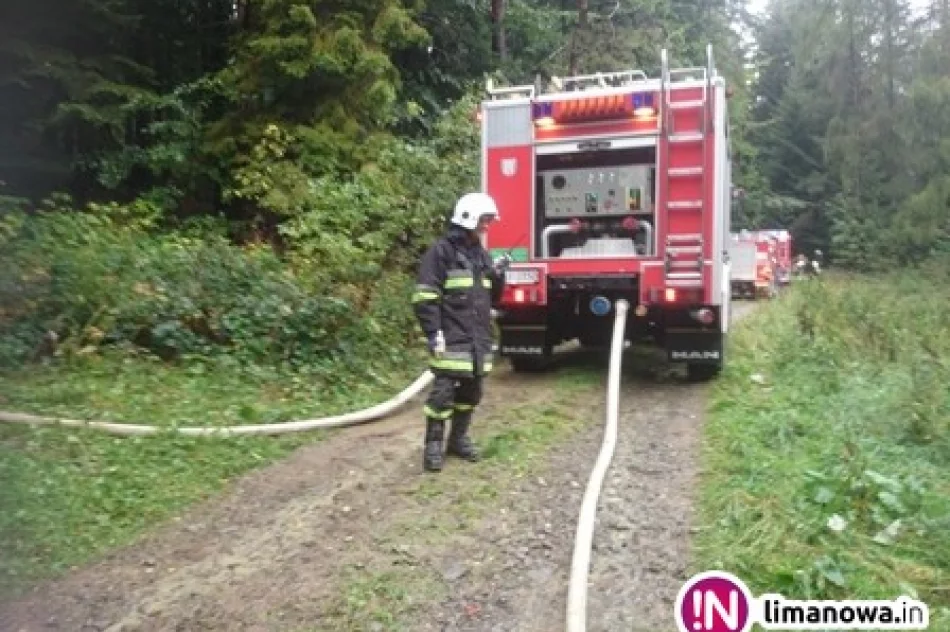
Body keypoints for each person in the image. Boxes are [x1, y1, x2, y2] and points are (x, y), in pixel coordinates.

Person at [411, 192, 511, 472]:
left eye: (489, 221)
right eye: (484, 220)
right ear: (467, 218)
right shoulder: (440, 253)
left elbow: (494, 298)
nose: (486, 226)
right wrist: (434, 333)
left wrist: (498, 274)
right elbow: (425, 297)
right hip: (451, 337)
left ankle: (458, 440)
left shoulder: (480, 254)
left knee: (471, 393)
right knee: (441, 395)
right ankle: (433, 447)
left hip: (477, 340)